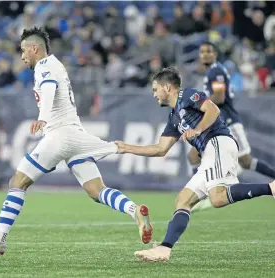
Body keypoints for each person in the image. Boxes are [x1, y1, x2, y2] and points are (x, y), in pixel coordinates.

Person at [0, 27, 153, 255]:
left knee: (18, 181)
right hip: (76, 134)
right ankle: (135, 211)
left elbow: (48, 89)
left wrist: (42, 118)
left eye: (23, 51)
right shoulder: (56, 64)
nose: (22, 56)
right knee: (96, 190)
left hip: (59, 135)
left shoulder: (44, 66)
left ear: (35, 48)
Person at [115, 67, 275, 262]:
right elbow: (160, 149)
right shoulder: (174, 117)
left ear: (167, 87)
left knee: (217, 198)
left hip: (217, 142)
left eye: (156, 89)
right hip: (208, 152)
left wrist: (198, 129)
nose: (154, 94)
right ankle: (164, 249)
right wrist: (126, 147)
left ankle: (271, 188)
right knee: (183, 200)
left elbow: (213, 109)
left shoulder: (187, 95)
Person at [190, 42, 275, 212]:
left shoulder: (216, 71)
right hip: (218, 123)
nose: (205, 55)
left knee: (245, 160)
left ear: (215, 54)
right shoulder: (212, 71)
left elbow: (220, 97)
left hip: (228, 121)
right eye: (202, 52)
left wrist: (200, 106)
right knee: (194, 155)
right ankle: (201, 195)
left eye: (208, 51)